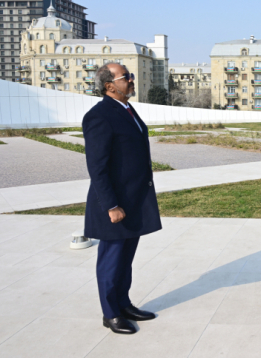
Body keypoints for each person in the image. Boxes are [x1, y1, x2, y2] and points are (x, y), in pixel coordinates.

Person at [83, 63, 162, 334]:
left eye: (130, 75)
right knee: (111, 259)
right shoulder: (100, 116)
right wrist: (111, 205)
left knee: (125, 259)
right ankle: (111, 313)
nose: (131, 79)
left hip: (133, 200)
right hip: (114, 204)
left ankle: (124, 304)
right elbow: (98, 166)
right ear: (109, 86)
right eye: (125, 76)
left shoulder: (126, 109)